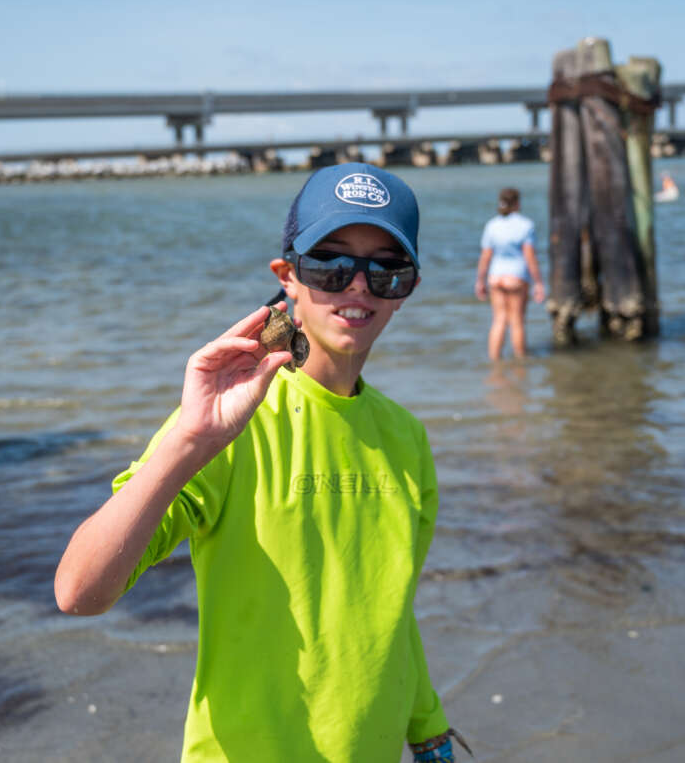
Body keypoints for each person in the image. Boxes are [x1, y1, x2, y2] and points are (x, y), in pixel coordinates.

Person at [54, 163, 467, 763]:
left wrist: (428, 729)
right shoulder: (227, 424)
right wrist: (190, 439)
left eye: (387, 270)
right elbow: (79, 592)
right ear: (288, 277)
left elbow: (389, 612)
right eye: (330, 263)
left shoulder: (407, 439)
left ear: (409, 288)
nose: (357, 286)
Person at [473, 187, 545, 359]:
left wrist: (480, 281)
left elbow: (485, 257)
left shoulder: (492, 225)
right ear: (518, 204)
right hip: (516, 277)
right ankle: (520, 363)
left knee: (498, 320)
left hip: (495, 277)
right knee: (517, 321)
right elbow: (529, 257)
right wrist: (539, 283)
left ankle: (495, 361)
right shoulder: (525, 225)